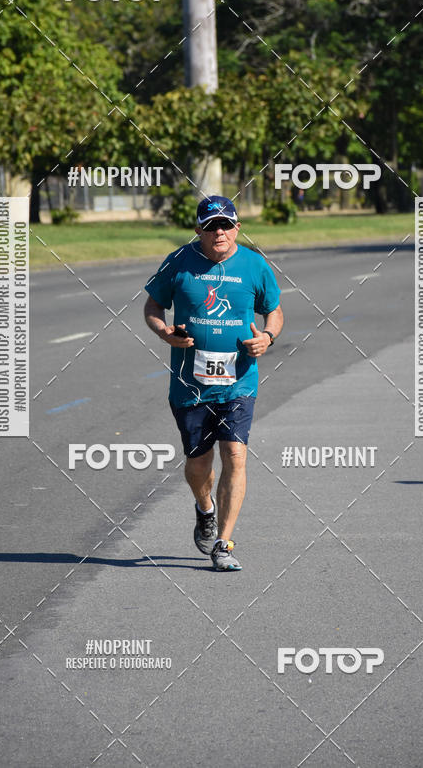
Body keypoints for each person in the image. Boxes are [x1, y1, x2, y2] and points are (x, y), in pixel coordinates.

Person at [143, 195, 283, 571]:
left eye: (226, 224)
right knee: (198, 465)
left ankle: (224, 544)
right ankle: (204, 507)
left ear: (237, 227)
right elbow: (153, 307)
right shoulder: (179, 262)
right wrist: (164, 332)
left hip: (239, 381)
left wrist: (267, 337)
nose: (218, 232)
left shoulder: (255, 265)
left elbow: (274, 311)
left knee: (235, 454)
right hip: (190, 385)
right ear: (198, 230)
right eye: (210, 226)